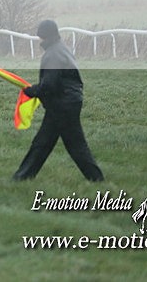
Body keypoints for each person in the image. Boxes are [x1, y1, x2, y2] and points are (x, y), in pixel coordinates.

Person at [12, 20, 104, 182]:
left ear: (46, 36)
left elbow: (49, 85)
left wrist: (31, 91)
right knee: (45, 143)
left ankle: (96, 179)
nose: (39, 40)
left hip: (62, 104)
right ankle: (22, 177)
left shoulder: (53, 54)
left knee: (68, 146)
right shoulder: (61, 49)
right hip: (68, 102)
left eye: (40, 36)